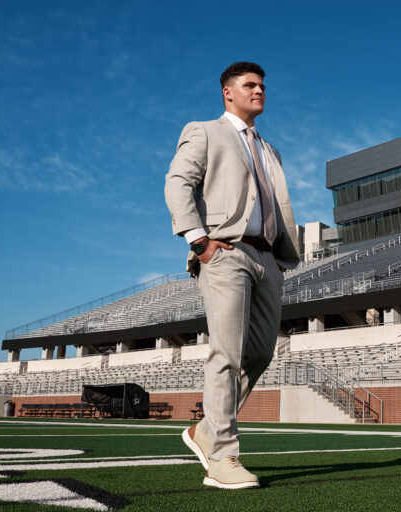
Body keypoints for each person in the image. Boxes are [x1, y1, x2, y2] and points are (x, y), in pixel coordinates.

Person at [164, 61, 300, 489]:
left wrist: (279, 257)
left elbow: (273, 205)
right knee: (226, 352)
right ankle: (222, 455)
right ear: (228, 92)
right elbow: (177, 182)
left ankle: (205, 428)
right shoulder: (205, 131)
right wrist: (198, 240)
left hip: (267, 259)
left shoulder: (269, 149)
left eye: (262, 86)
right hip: (224, 252)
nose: (259, 91)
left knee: (260, 354)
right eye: (250, 85)